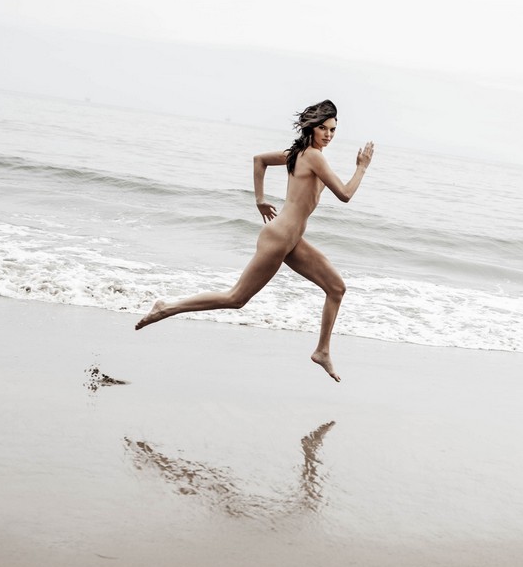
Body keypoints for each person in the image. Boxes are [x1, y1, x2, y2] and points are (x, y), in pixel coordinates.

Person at [135, 100, 375, 382]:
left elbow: (259, 160)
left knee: (336, 288)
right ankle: (166, 307)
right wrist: (362, 167)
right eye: (323, 128)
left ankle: (322, 351)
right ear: (311, 127)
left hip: (291, 240)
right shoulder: (313, 156)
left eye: (332, 130)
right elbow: (345, 194)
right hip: (279, 237)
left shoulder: (298, 154)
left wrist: (260, 199)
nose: (328, 134)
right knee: (236, 298)